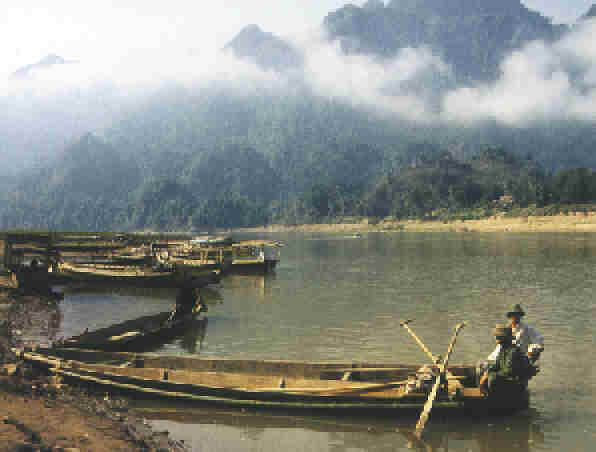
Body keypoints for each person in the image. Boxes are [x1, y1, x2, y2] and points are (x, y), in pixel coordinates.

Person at [480, 325, 530, 394]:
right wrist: (487, 370)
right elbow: (497, 364)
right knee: (482, 369)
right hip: (505, 377)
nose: (496, 339)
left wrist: (489, 374)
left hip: (514, 381)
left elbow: (508, 372)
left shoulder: (513, 351)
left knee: (492, 377)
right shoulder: (503, 348)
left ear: (504, 338)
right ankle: (484, 392)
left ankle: (492, 397)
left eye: (498, 337)